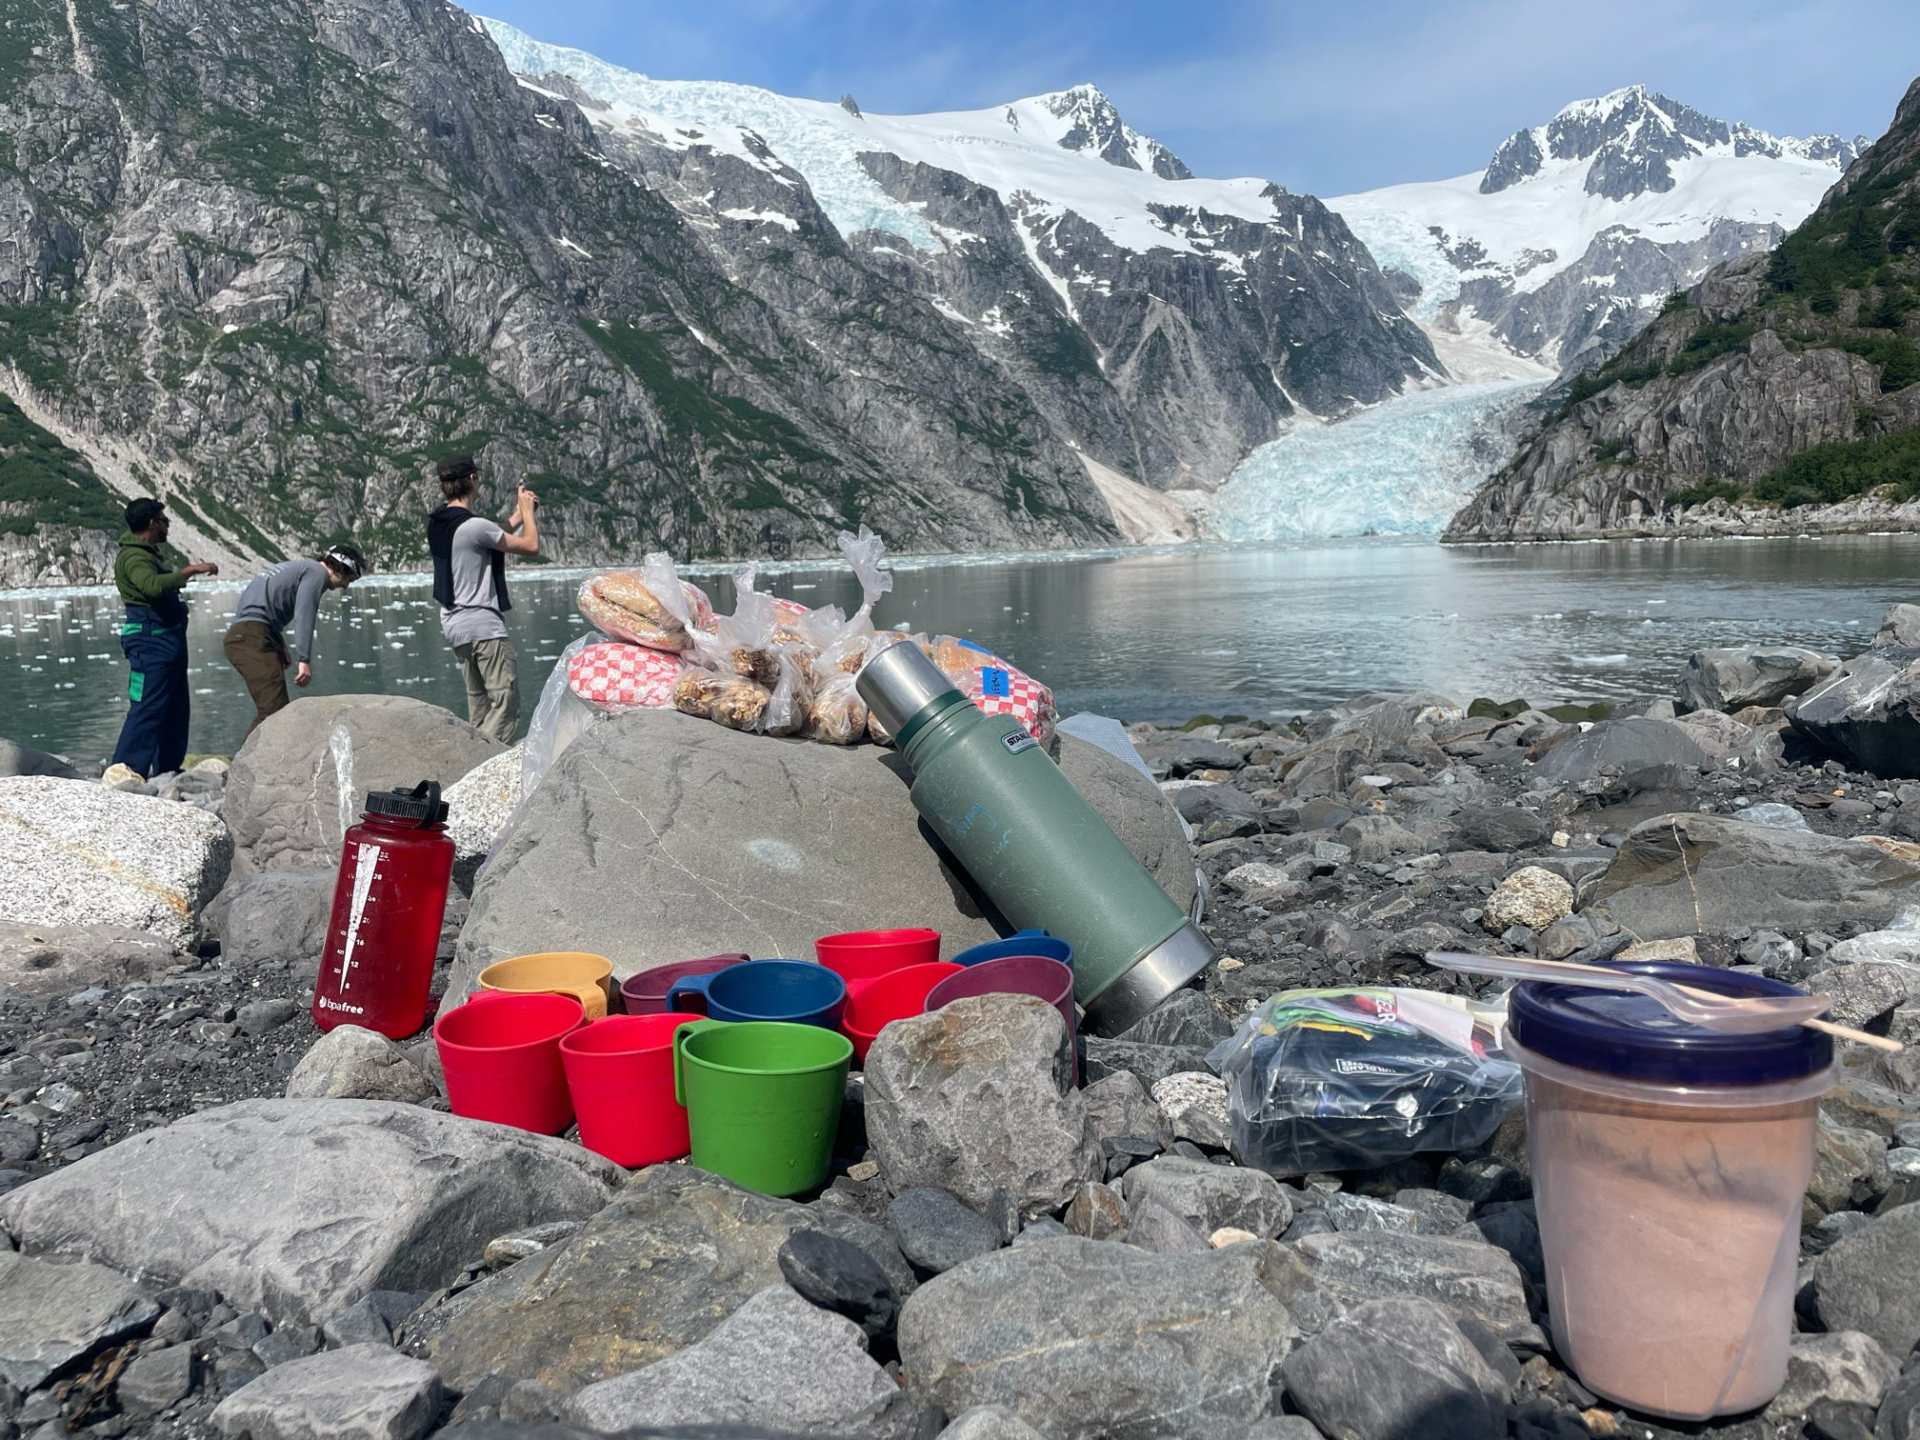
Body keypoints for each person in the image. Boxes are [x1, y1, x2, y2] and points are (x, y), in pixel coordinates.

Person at [427, 454, 538, 743]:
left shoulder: (440, 523)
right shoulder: (476, 527)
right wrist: (527, 512)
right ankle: (482, 763)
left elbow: (489, 534)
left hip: (456, 627)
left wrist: (515, 516)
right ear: (473, 480)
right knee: (505, 703)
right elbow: (531, 545)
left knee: (480, 706)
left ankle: (471, 755)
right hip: (483, 626)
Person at [110, 498, 219, 779]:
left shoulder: (147, 553)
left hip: (166, 640)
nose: (167, 525)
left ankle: (168, 768)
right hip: (150, 641)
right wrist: (189, 571)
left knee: (174, 706)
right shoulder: (134, 557)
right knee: (147, 704)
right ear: (150, 523)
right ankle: (127, 769)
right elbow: (152, 586)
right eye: (163, 520)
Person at [223, 544, 367, 736]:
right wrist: (304, 659)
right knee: (273, 711)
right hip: (252, 638)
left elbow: (256, 609)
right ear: (341, 567)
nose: (346, 586)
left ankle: (254, 761)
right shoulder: (317, 573)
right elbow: (304, 612)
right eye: (350, 578)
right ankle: (244, 764)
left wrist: (278, 644)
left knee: (274, 709)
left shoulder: (298, 567)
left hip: (247, 634)